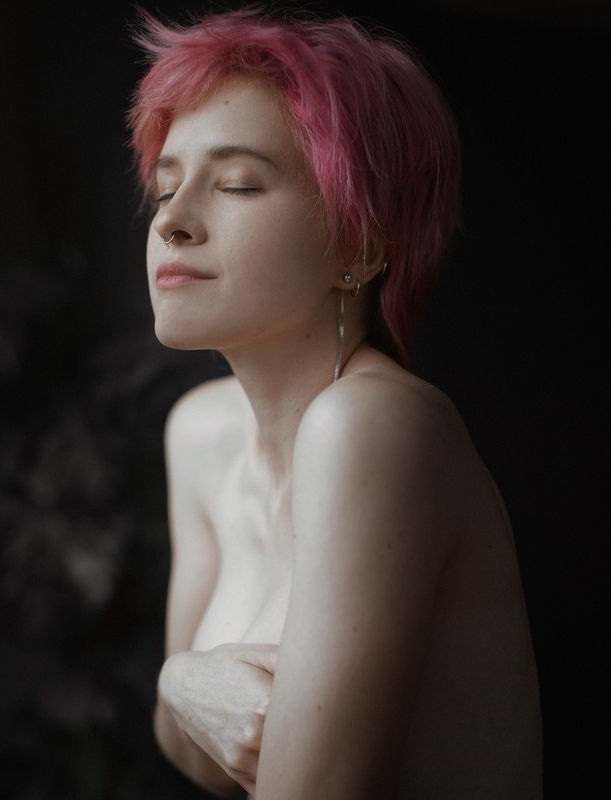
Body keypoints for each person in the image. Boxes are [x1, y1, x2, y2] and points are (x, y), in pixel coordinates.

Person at [128, 6, 543, 798]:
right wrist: (182, 679)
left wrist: (186, 681)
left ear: (358, 247)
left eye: (237, 184)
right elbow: (189, 753)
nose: (171, 223)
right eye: (165, 186)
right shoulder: (202, 431)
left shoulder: (372, 425)